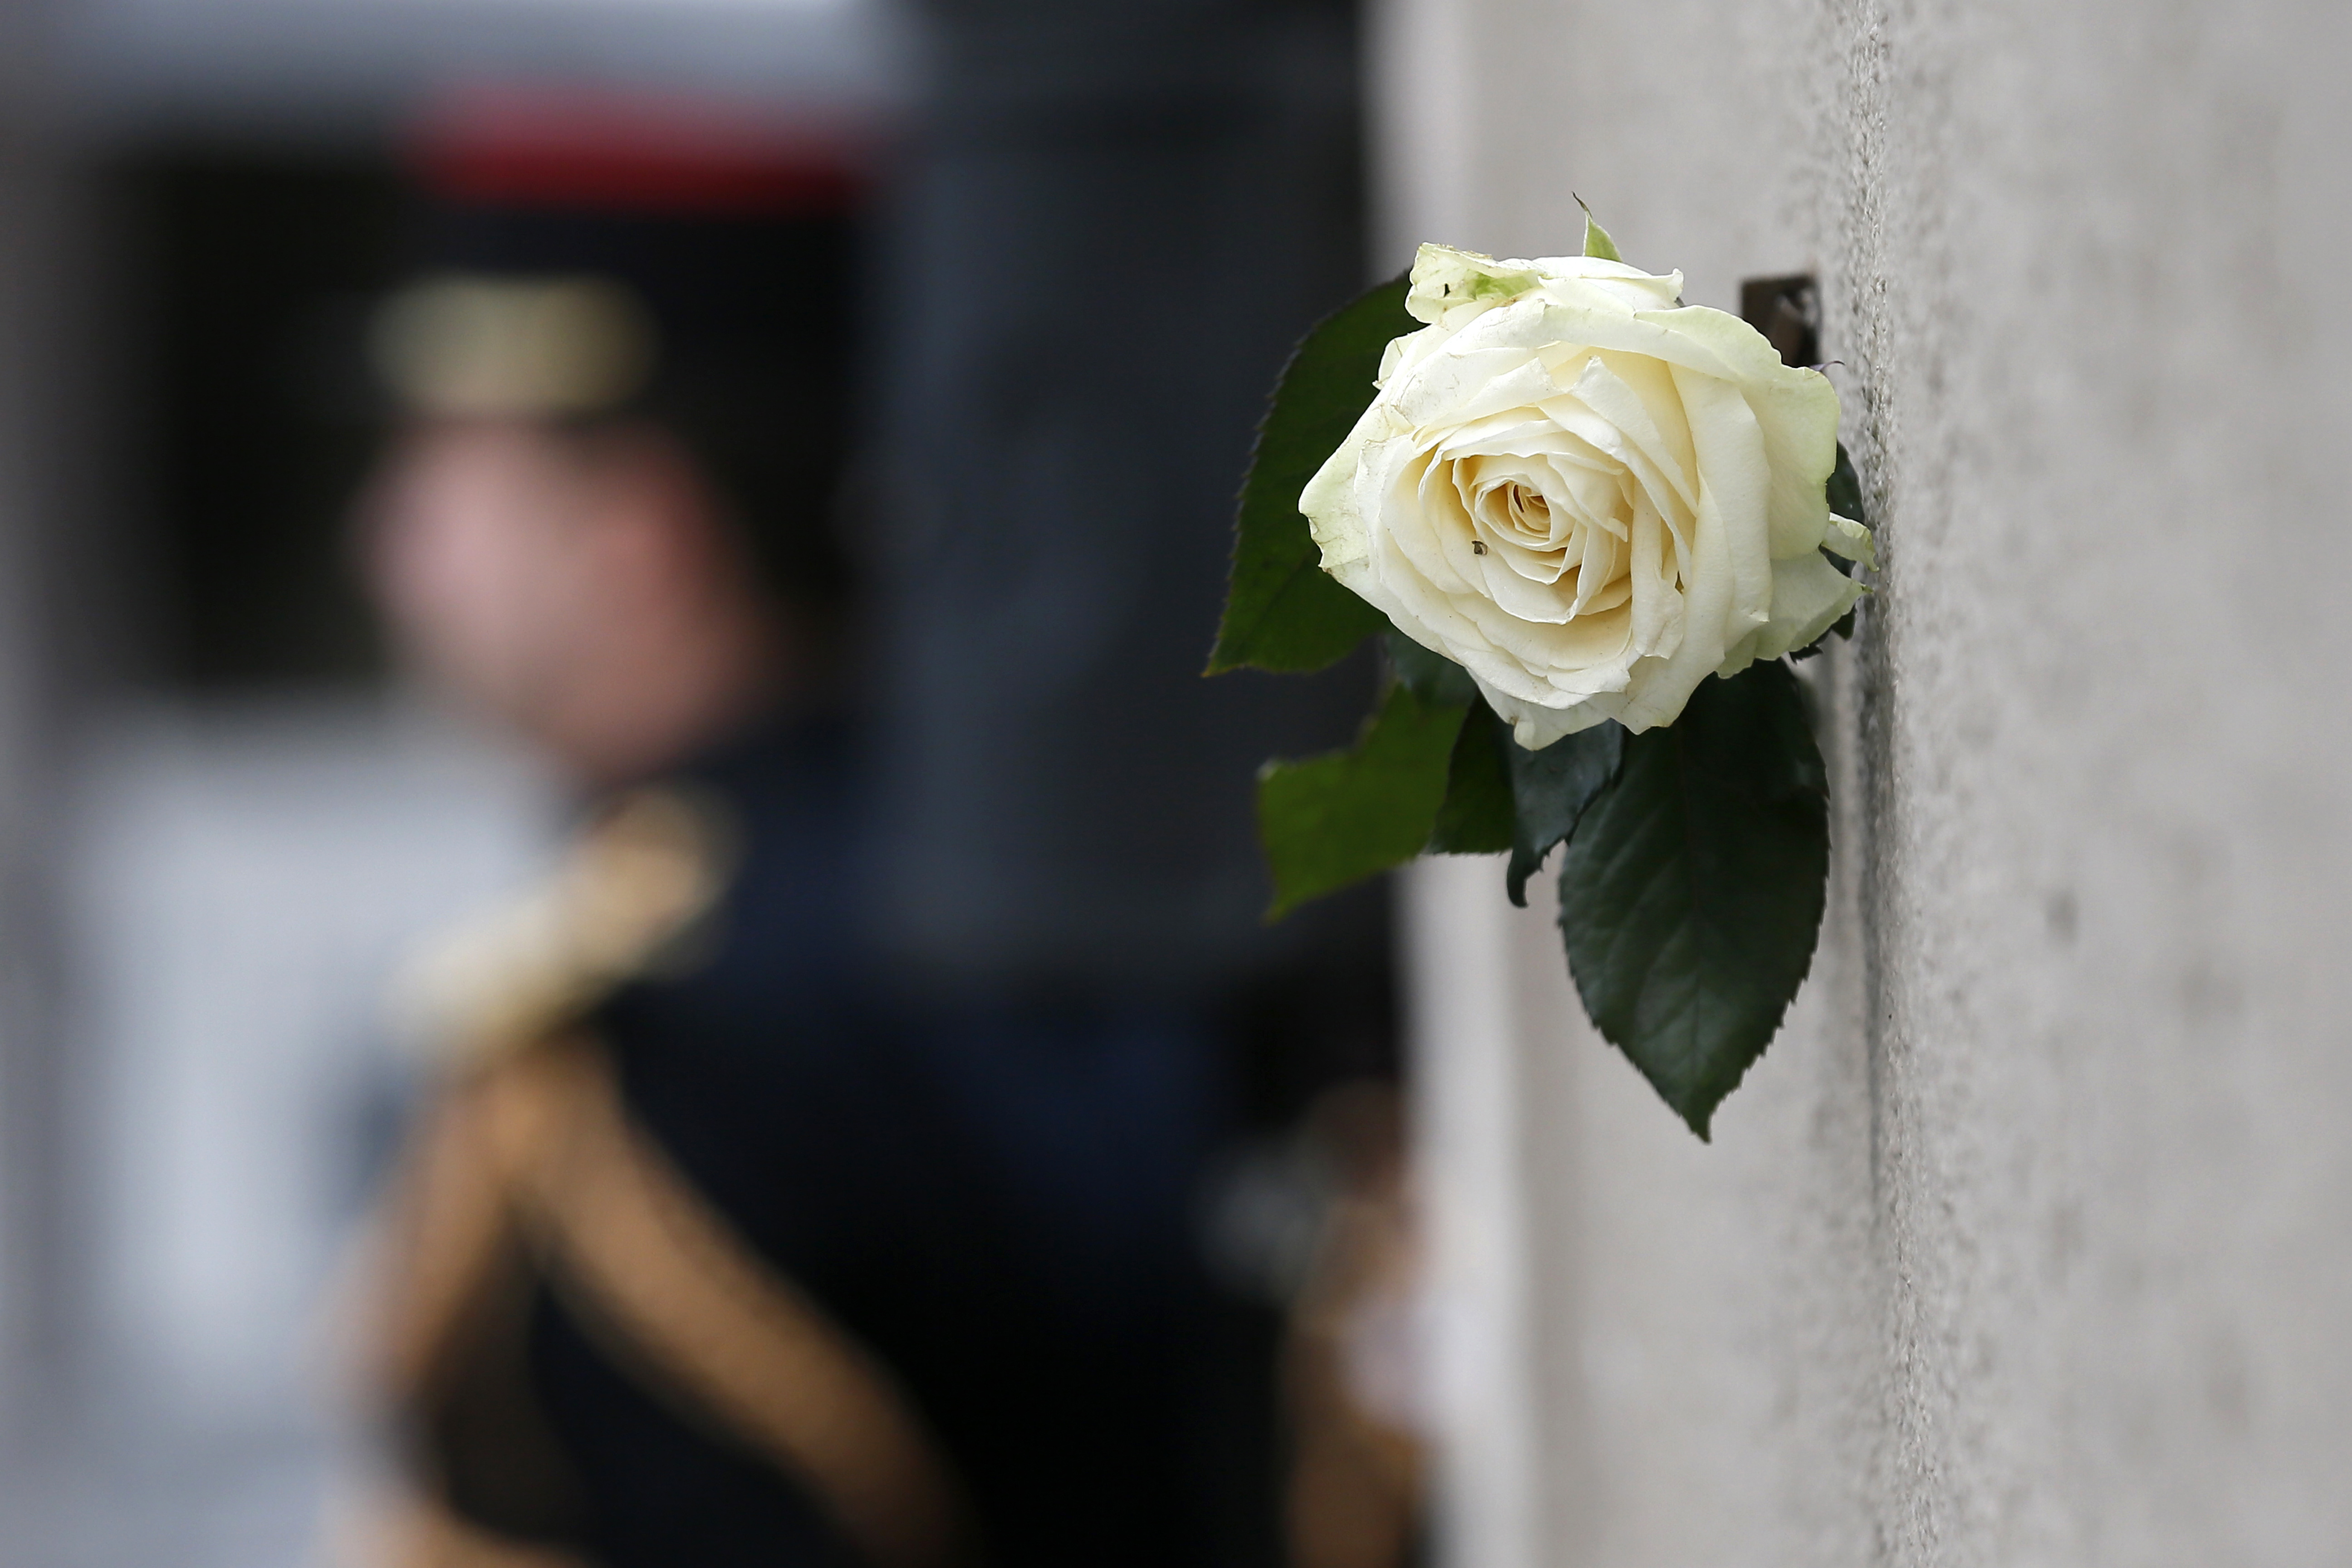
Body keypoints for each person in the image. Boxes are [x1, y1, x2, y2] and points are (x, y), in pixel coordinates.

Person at [350, 91, 1251, 1568]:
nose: (388, 534)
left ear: (637, 537)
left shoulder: (662, 1039)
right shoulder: (1007, 869)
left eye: (448, 463)